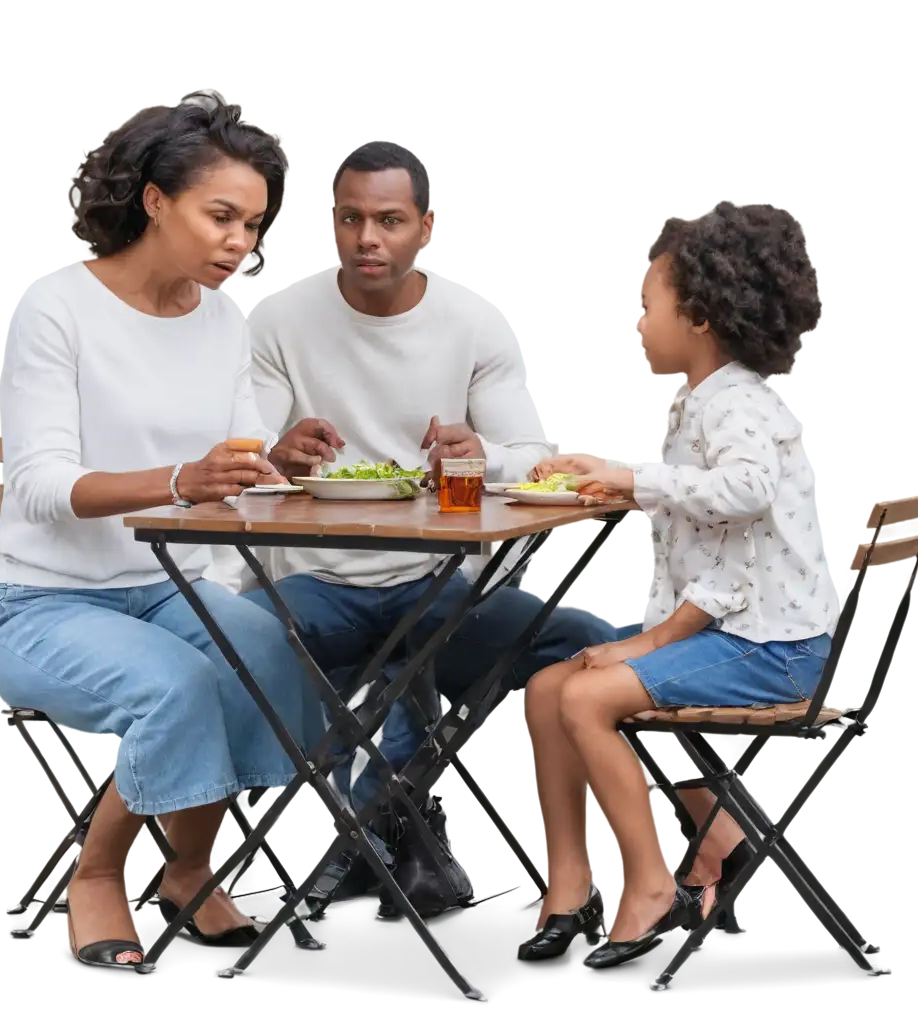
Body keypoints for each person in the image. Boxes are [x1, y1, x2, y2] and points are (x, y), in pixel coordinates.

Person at [205, 139, 620, 905]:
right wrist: (275, 452)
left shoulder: (476, 321)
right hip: (317, 589)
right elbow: (241, 452)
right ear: (333, 223)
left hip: (439, 583)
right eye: (351, 218)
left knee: (587, 642)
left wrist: (481, 452)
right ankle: (398, 822)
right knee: (218, 645)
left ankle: (376, 826)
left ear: (425, 226)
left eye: (389, 220)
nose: (368, 238)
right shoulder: (280, 320)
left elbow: (533, 454)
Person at [0, 94, 325, 972]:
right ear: (155, 199)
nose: (239, 241)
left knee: (269, 652)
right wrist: (180, 479)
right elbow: (41, 485)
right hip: (42, 604)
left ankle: (190, 874)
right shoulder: (55, 308)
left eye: (251, 223)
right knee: (177, 684)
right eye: (221, 217)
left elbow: (234, 457)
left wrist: (275, 462)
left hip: (169, 585)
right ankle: (96, 879)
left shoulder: (221, 319)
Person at [520, 201, 839, 970]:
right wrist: (627, 484)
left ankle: (654, 888)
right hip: (741, 632)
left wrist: (637, 483)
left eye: (643, 306)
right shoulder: (706, 403)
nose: (634, 324)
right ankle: (569, 887)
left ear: (699, 317)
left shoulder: (733, 405)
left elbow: (746, 490)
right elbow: (721, 539)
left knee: (588, 696)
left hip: (771, 650)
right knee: (545, 689)